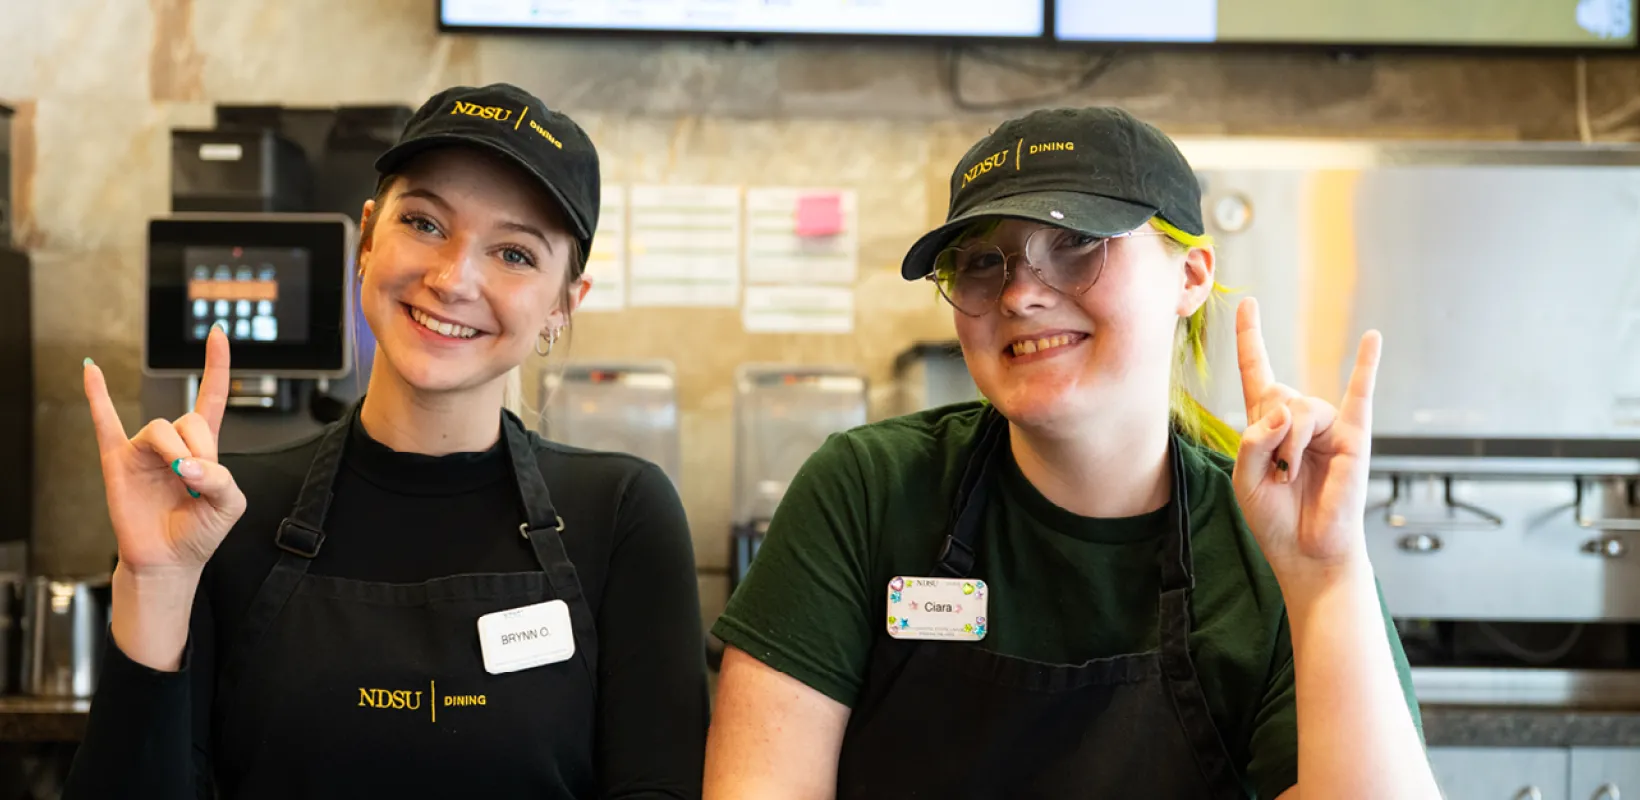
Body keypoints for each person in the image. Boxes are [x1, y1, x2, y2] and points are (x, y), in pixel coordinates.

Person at [703, 107, 1440, 799]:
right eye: (983, 263)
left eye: (1078, 243)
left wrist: (1326, 578)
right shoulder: (866, 491)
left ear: (1190, 277)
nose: (1022, 294)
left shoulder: (1279, 541)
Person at [63, 83, 709, 800]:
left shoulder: (622, 516)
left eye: (515, 254)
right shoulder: (222, 517)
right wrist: (153, 581)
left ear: (564, 303)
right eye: (426, 223)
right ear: (367, 239)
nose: (453, 278)